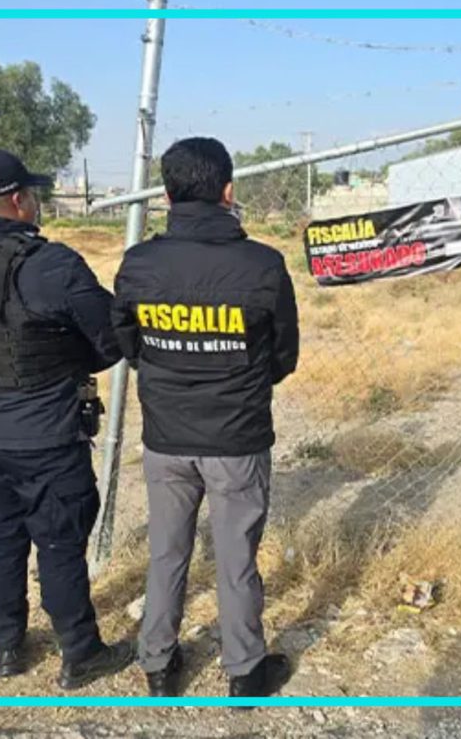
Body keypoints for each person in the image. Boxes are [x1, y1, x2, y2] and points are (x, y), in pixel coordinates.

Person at [0, 149, 133, 690]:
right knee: (59, 542)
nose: (35, 201)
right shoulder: (52, 264)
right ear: (17, 200)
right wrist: (66, 360)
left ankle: (7, 645)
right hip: (46, 435)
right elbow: (111, 340)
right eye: (31, 193)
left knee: (2, 537)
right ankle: (80, 651)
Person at [110, 137, 299, 700]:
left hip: (167, 437)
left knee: (167, 552)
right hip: (236, 439)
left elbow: (128, 344)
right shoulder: (263, 265)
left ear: (167, 195)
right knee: (236, 558)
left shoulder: (139, 264)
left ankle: (157, 665)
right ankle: (245, 672)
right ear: (228, 191)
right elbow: (283, 357)